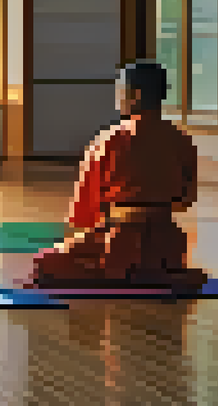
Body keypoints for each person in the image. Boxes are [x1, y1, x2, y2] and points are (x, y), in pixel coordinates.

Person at [29, 61, 205, 290]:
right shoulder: (182, 140)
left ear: (135, 95)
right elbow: (186, 200)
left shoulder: (109, 140)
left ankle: (121, 274)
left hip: (118, 240)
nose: (117, 99)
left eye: (121, 92)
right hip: (168, 244)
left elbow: (84, 214)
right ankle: (155, 274)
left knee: (45, 263)